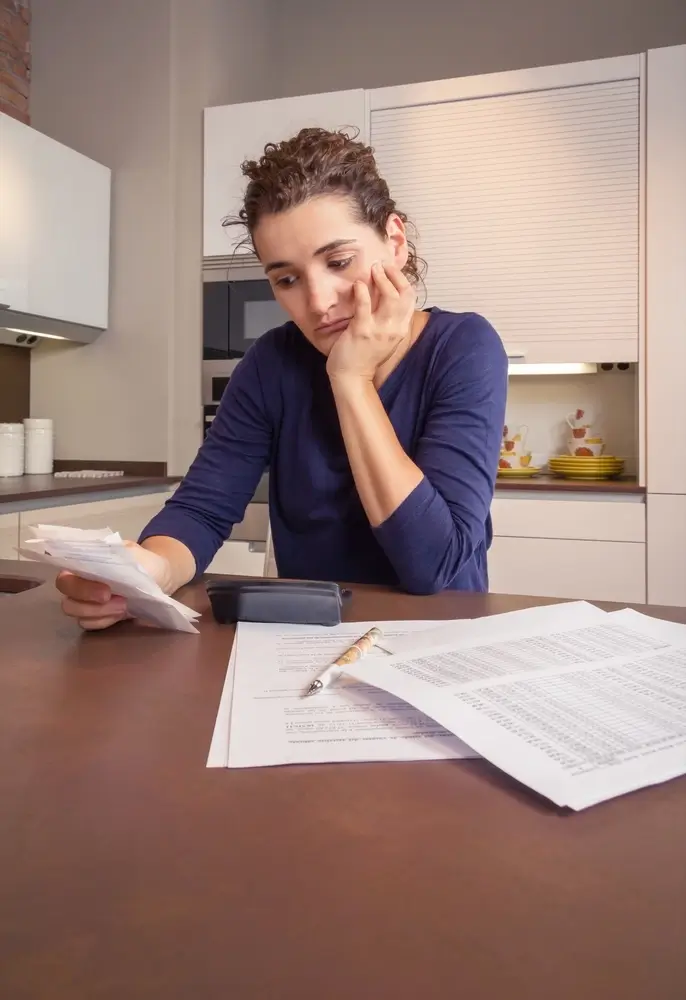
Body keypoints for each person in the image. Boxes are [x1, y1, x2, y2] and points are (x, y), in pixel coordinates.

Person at [57, 127, 508, 631]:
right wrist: (146, 570)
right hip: (306, 642)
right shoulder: (270, 365)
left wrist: (351, 379)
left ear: (395, 241)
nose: (316, 302)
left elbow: (435, 565)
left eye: (338, 262)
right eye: (286, 279)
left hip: (441, 640)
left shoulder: (464, 348)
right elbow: (203, 511)